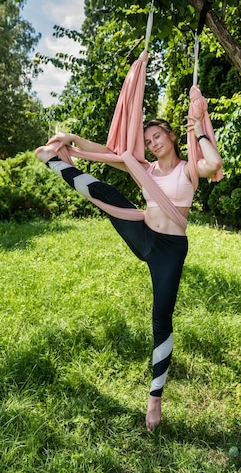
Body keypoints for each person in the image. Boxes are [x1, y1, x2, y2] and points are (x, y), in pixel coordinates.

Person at [35, 115, 222, 431]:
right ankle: (52, 162)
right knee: (105, 192)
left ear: (172, 136)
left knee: (161, 318)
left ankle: (155, 398)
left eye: (157, 136)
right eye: (148, 141)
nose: (153, 143)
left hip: (169, 251)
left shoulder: (188, 169)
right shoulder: (145, 169)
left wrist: (201, 132)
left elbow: (214, 162)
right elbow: (110, 154)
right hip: (143, 234)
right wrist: (73, 141)